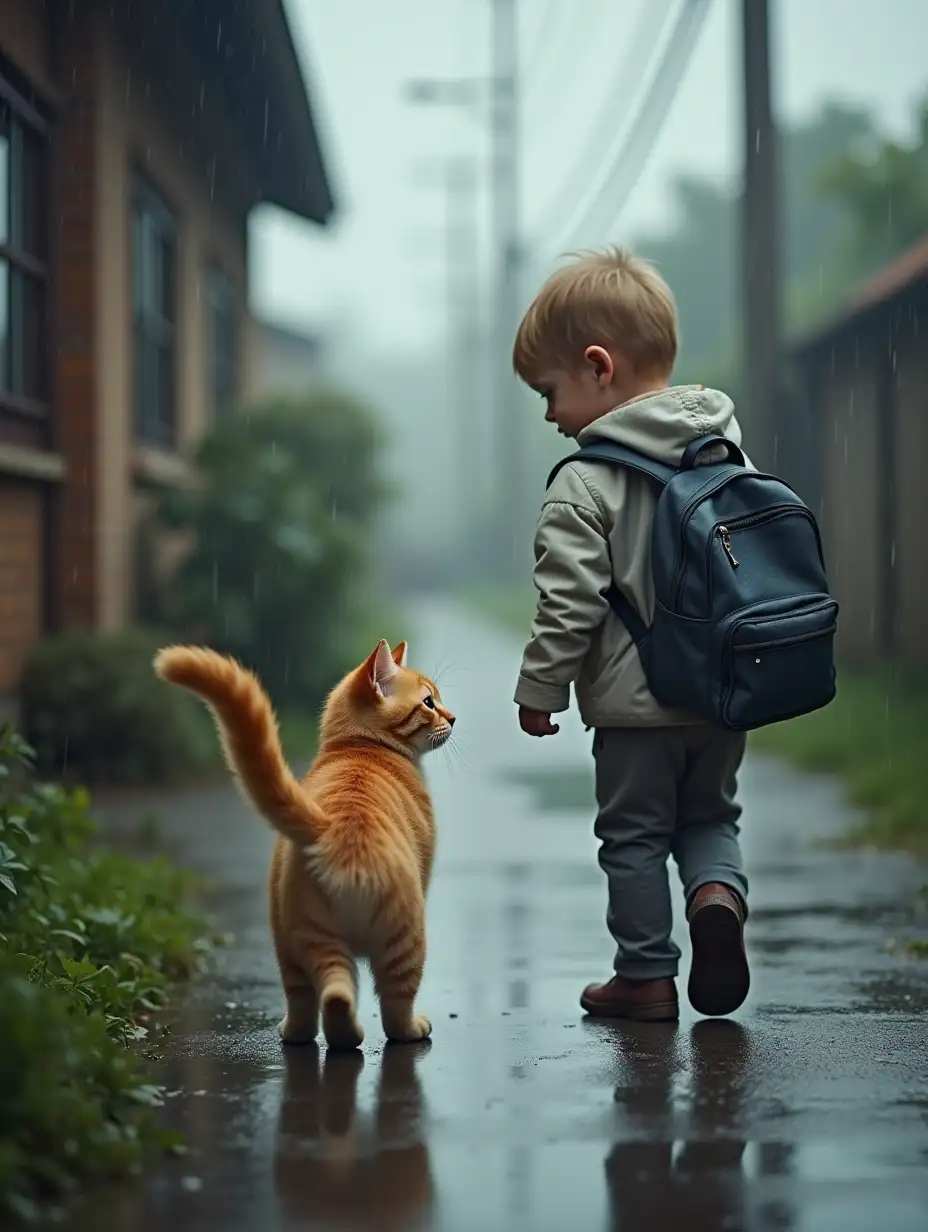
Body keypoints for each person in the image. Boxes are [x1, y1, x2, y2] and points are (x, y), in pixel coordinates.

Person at [512, 247, 750, 1021]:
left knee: (635, 839)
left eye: (550, 391)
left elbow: (569, 604)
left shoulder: (584, 481)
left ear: (597, 367)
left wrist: (540, 689)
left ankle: (646, 978)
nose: (549, 414)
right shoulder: (726, 448)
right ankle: (716, 897)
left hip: (633, 711)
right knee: (710, 817)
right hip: (720, 695)